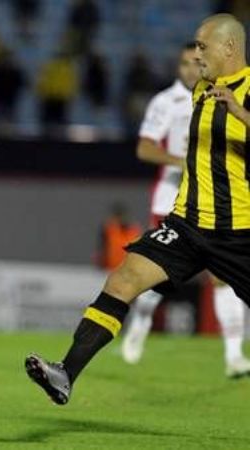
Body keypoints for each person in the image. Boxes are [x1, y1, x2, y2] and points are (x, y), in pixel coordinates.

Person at [25, 13, 250, 405]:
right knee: (123, 279)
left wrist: (239, 112)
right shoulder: (201, 89)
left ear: (229, 47)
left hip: (240, 231)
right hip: (188, 225)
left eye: (203, 46)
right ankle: (65, 373)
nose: (196, 55)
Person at [121, 42, 250, 376]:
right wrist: (182, 161)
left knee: (222, 278)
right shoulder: (167, 102)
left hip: (216, 200)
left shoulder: (225, 94)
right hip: (172, 199)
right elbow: (144, 148)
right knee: (154, 275)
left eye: (196, 63)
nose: (191, 70)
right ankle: (141, 322)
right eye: (184, 64)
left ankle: (234, 354)